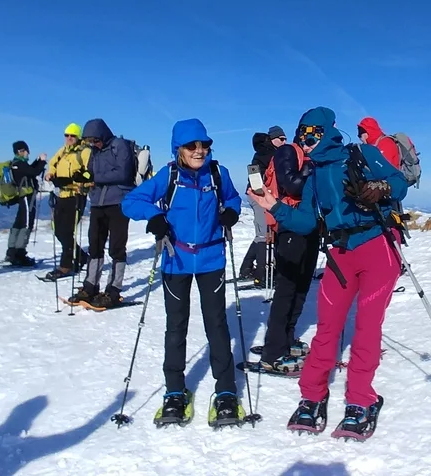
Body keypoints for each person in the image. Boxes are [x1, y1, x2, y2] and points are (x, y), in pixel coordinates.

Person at [249, 106, 407, 439]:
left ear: (326, 131)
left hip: (378, 247)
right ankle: (312, 396)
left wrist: (381, 188)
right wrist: (272, 207)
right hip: (340, 254)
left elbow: (399, 182)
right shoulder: (314, 173)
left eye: (311, 133)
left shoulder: (361, 153)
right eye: (301, 134)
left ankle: (361, 400)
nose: (304, 139)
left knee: (366, 327)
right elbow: (306, 221)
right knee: (327, 328)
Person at [121, 119, 244, 426]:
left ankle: (226, 391)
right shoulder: (169, 175)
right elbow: (131, 201)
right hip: (176, 260)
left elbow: (233, 198)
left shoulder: (218, 173)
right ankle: (175, 390)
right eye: (192, 146)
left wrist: (231, 212)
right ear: (179, 149)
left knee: (217, 325)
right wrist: (154, 217)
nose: (200, 150)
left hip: (211, 259)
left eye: (204, 145)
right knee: (176, 327)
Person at [257, 124, 320, 374]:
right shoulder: (287, 152)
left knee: (301, 287)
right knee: (286, 289)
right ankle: (273, 353)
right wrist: (310, 171)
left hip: (309, 226)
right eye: (309, 134)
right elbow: (291, 185)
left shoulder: (309, 156)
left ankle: (287, 339)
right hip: (290, 224)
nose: (313, 140)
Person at [68, 118, 133, 309]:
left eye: (95, 140)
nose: (93, 144)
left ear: (103, 135)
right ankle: (90, 286)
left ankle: (113, 290)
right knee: (95, 244)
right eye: (89, 141)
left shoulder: (119, 146)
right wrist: (84, 178)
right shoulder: (94, 152)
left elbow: (124, 174)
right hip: (98, 202)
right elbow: (91, 173)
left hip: (118, 202)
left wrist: (95, 177)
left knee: (116, 247)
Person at [42, 123, 93, 281]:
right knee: (58, 231)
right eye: (67, 135)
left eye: (73, 136)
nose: (69, 138)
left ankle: (65, 266)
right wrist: (50, 173)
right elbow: (52, 163)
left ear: (78, 137)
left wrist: (76, 182)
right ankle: (81, 256)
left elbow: (91, 174)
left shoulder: (85, 152)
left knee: (66, 231)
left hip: (76, 196)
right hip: (62, 195)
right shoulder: (63, 151)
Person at [239, 126, 284, 284]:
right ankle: (261, 274)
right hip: (258, 196)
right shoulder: (265, 154)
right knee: (263, 235)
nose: (284, 142)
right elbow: (255, 177)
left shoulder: (268, 153)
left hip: (263, 196)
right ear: (273, 139)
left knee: (264, 233)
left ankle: (246, 269)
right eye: (282, 139)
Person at [3, 140, 47, 266]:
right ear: (21, 151)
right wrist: (42, 161)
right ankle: (20, 254)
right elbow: (34, 172)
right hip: (27, 197)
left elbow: (30, 170)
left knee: (19, 222)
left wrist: (38, 160)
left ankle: (11, 252)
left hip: (23, 197)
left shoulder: (16, 164)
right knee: (27, 224)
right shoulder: (20, 165)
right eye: (26, 151)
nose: (28, 153)